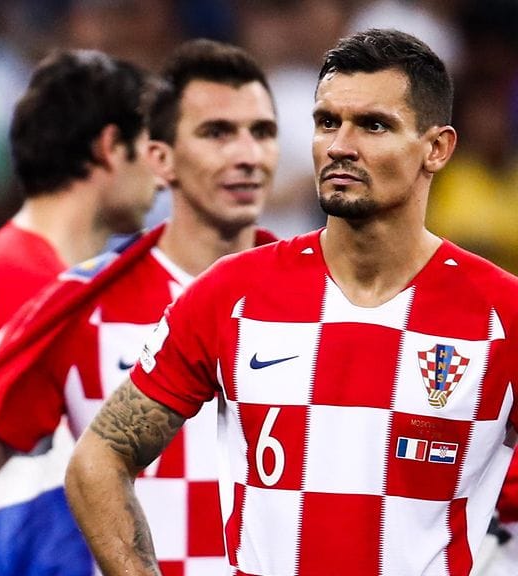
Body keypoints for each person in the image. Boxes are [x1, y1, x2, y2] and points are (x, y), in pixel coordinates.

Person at [66, 28, 518, 576]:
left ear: (437, 148)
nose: (340, 146)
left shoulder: (502, 313)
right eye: (327, 122)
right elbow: (99, 456)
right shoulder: (233, 293)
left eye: (373, 125)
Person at [0, 39, 279, 575]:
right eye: (217, 132)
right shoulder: (82, 304)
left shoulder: (315, 296)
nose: (248, 156)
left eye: (262, 132)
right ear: (160, 159)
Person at [0, 49, 158, 575]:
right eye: (151, 145)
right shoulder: (24, 279)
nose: (162, 172)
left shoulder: (34, 268)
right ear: (111, 147)